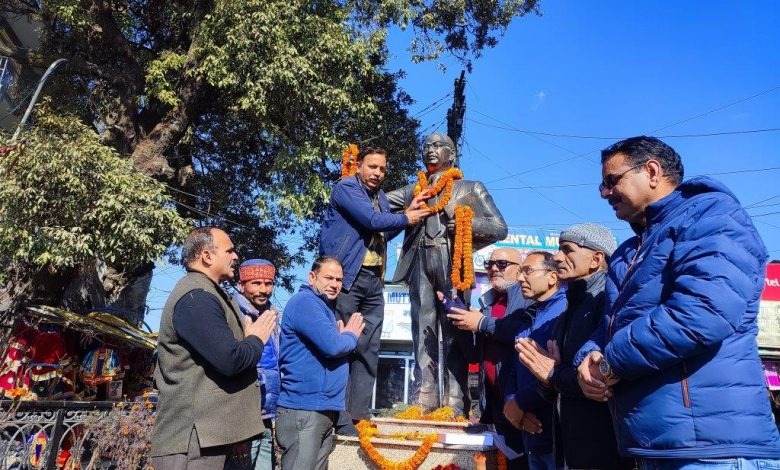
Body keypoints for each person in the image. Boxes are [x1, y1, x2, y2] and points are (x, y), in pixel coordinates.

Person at [577, 136, 780, 468]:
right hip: (653, 446)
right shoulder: (630, 250)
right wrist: (588, 360)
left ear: (652, 171)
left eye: (611, 181)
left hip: (712, 450)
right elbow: (611, 325)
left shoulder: (712, 216)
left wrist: (611, 363)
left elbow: (703, 312)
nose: (604, 193)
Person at [387, 132, 508, 414]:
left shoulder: (470, 187)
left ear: (452, 155)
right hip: (419, 257)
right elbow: (378, 204)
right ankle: (424, 394)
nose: (430, 150)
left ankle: (455, 399)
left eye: (438, 145)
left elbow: (500, 227)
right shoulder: (413, 190)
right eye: (426, 146)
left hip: (453, 259)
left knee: (455, 328)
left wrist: (468, 225)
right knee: (422, 327)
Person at [319, 146, 429, 435]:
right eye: (372, 167)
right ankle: (337, 416)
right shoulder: (345, 188)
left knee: (369, 348)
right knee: (343, 345)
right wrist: (407, 216)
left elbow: (381, 230)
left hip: (373, 280)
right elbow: (371, 221)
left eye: (382, 169)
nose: (377, 173)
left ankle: (358, 416)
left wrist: (409, 214)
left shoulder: (380, 197)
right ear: (359, 167)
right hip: (348, 278)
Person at [151, 227, 277, 470]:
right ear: (207, 256)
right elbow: (230, 360)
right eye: (229, 250)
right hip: (193, 442)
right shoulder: (195, 297)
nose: (235, 256)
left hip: (211, 439)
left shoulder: (208, 293)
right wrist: (256, 339)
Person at [516, 224, 630, 469]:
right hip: (571, 450)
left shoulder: (608, 303)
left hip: (604, 451)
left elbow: (600, 384)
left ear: (595, 259)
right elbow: (556, 383)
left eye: (567, 250)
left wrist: (553, 373)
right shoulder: (571, 307)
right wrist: (548, 378)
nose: (557, 258)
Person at [441, 247, 529, 469]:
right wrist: (460, 319)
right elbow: (473, 355)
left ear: (520, 271)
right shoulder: (487, 304)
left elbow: (520, 333)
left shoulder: (528, 298)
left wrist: (479, 322)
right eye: (490, 265)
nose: (494, 269)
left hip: (522, 403)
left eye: (502, 264)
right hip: (495, 406)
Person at [276, 256, 365, 470]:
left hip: (322, 410)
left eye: (339, 280)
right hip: (304, 410)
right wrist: (350, 336)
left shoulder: (322, 307)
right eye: (328, 277)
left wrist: (343, 338)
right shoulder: (305, 302)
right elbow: (332, 346)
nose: (334, 284)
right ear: (311, 277)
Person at [502, 251, 566, 470]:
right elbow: (515, 369)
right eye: (520, 271)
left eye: (527, 270)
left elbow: (557, 371)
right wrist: (513, 407)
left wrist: (520, 402)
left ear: (552, 277)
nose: (520, 277)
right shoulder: (530, 314)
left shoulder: (563, 313)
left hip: (558, 436)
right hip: (531, 435)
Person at [233, 259, 281, 470]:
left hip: (266, 414)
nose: (264, 290)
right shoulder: (234, 314)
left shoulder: (273, 316)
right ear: (241, 285)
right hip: (244, 415)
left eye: (268, 284)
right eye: (256, 283)